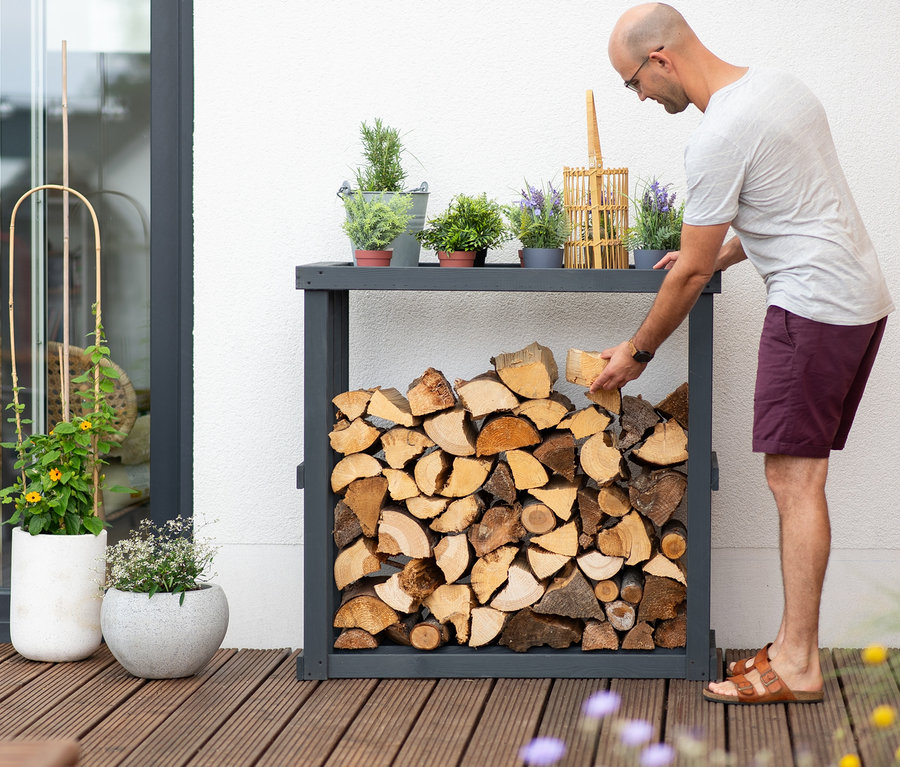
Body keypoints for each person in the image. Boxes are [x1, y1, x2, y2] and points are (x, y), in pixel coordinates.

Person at [597, 3, 893, 704]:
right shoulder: (778, 88)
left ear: (661, 58)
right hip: (857, 299)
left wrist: (637, 351)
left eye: (633, 82)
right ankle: (792, 646)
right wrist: (722, 248)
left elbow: (691, 275)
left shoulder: (718, 135)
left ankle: (797, 663)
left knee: (795, 484)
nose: (639, 97)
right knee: (801, 479)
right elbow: (787, 206)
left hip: (813, 309)